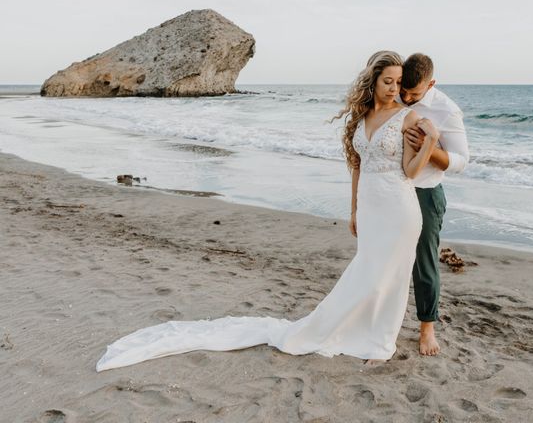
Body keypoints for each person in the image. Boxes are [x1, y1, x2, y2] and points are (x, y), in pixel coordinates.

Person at [95, 50, 438, 372]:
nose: (394, 89)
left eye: (397, 82)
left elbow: (410, 171)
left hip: (399, 208)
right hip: (371, 209)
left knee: (388, 276)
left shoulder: (409, 116)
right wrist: (353, 210)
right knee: (368, 272)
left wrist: (431, 141)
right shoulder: (362, 116)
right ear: (373, 81)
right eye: (387, 81)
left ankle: (379, 342)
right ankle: (361, 330)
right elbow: (357, 167)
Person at [397, 53, 470, 356]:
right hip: (393, 190)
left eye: (415, 94)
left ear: (432, 84)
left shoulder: (447, 110)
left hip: (425, 192)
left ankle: (427, 327)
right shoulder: (395, 96)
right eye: (404, 91)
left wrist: (428, 149)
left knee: (424, 263)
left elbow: (460, 162)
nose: (407, 98)